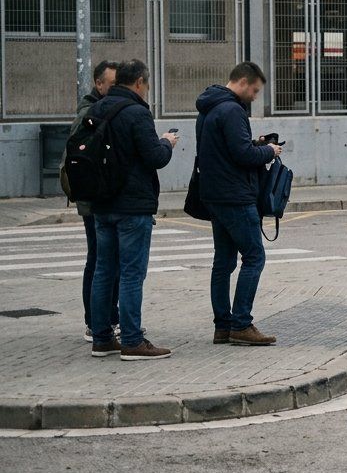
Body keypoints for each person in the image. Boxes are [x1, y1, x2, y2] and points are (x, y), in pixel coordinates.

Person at [87, 59, 177, 360]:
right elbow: (155, 157)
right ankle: (132, 341)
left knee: (103, 271)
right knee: (131, 274)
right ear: (139, 82)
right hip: (132, 206)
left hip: (101, 203)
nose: (146, 89)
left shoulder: (97, 108)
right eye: (147, 84)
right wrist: (167, 142)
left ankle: (101, 338)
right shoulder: (138, 113)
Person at [195, 62, 283, 347]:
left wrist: (253, 143)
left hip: (214, 194)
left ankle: (223, 326)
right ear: (243, 82)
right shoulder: (232, 110)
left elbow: (229, 148)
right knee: (254, 257)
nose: (255, 97)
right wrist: (268, 150)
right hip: (235, 195)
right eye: (255, 91)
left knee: (223, 262)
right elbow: (243, 155)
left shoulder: (210, 106)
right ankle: (241, 324)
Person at [72, 60, 118, 343]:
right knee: (99, 260)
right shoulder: (89, 112)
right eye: (111, 84)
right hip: (93, 199)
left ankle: (108, 318)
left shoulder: (102, 108)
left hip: (101, 197)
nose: (115, 89)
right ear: (99, 84)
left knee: (106, 260)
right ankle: (95, 321)